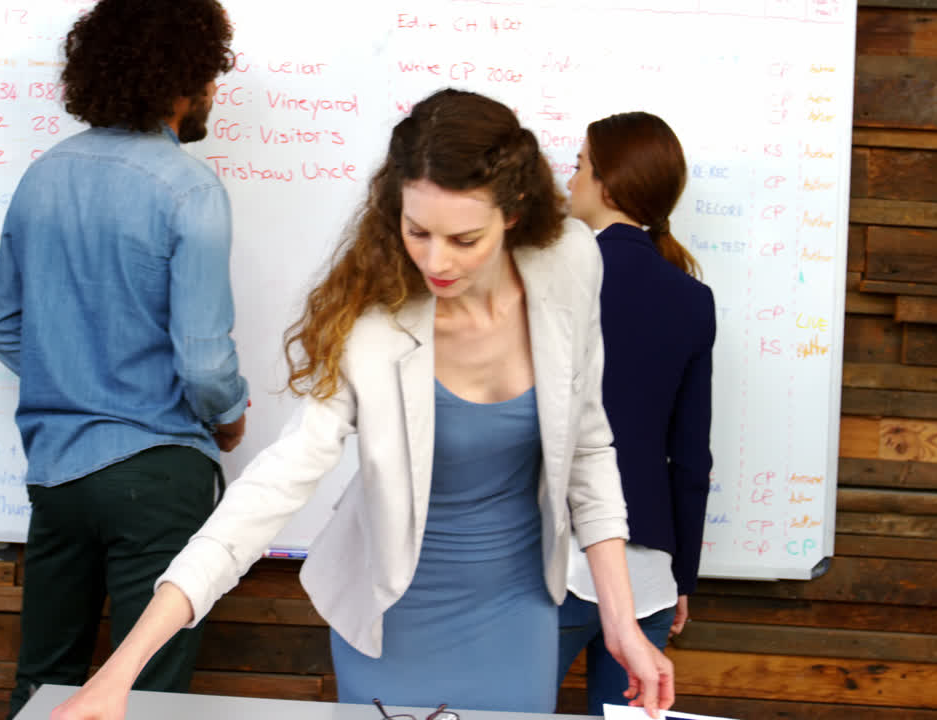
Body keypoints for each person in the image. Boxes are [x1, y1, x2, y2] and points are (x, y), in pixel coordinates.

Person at [50, 88, 675, 720]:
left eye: (464, 238)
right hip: (390, 616)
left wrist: (620, 620)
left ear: (513, 211)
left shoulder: (570, 261)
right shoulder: (372, 324)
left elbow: (589, 448)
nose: (436, 261)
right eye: (417, 231)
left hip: (519, 610)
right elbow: (268, 490)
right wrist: (120, 672)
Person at [0, 1, 248, 716]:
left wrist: (73, 378)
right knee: (148, 697)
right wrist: (228, 416)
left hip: (58, 474)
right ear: (181, 79)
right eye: (209, 75)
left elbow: (4, 328)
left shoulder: (43, 176)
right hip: (159, 473)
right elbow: (203, 365)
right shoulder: (190, 189)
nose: (215, 91)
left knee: (41, 684)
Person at [557, 111, 716, 714]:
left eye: (578, 167)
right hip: (649, 573)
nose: (568, 180)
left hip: (553, 561)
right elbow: (691, 458)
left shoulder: (553, 281)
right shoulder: (692, 299)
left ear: (608, 183)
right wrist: (682, 580)